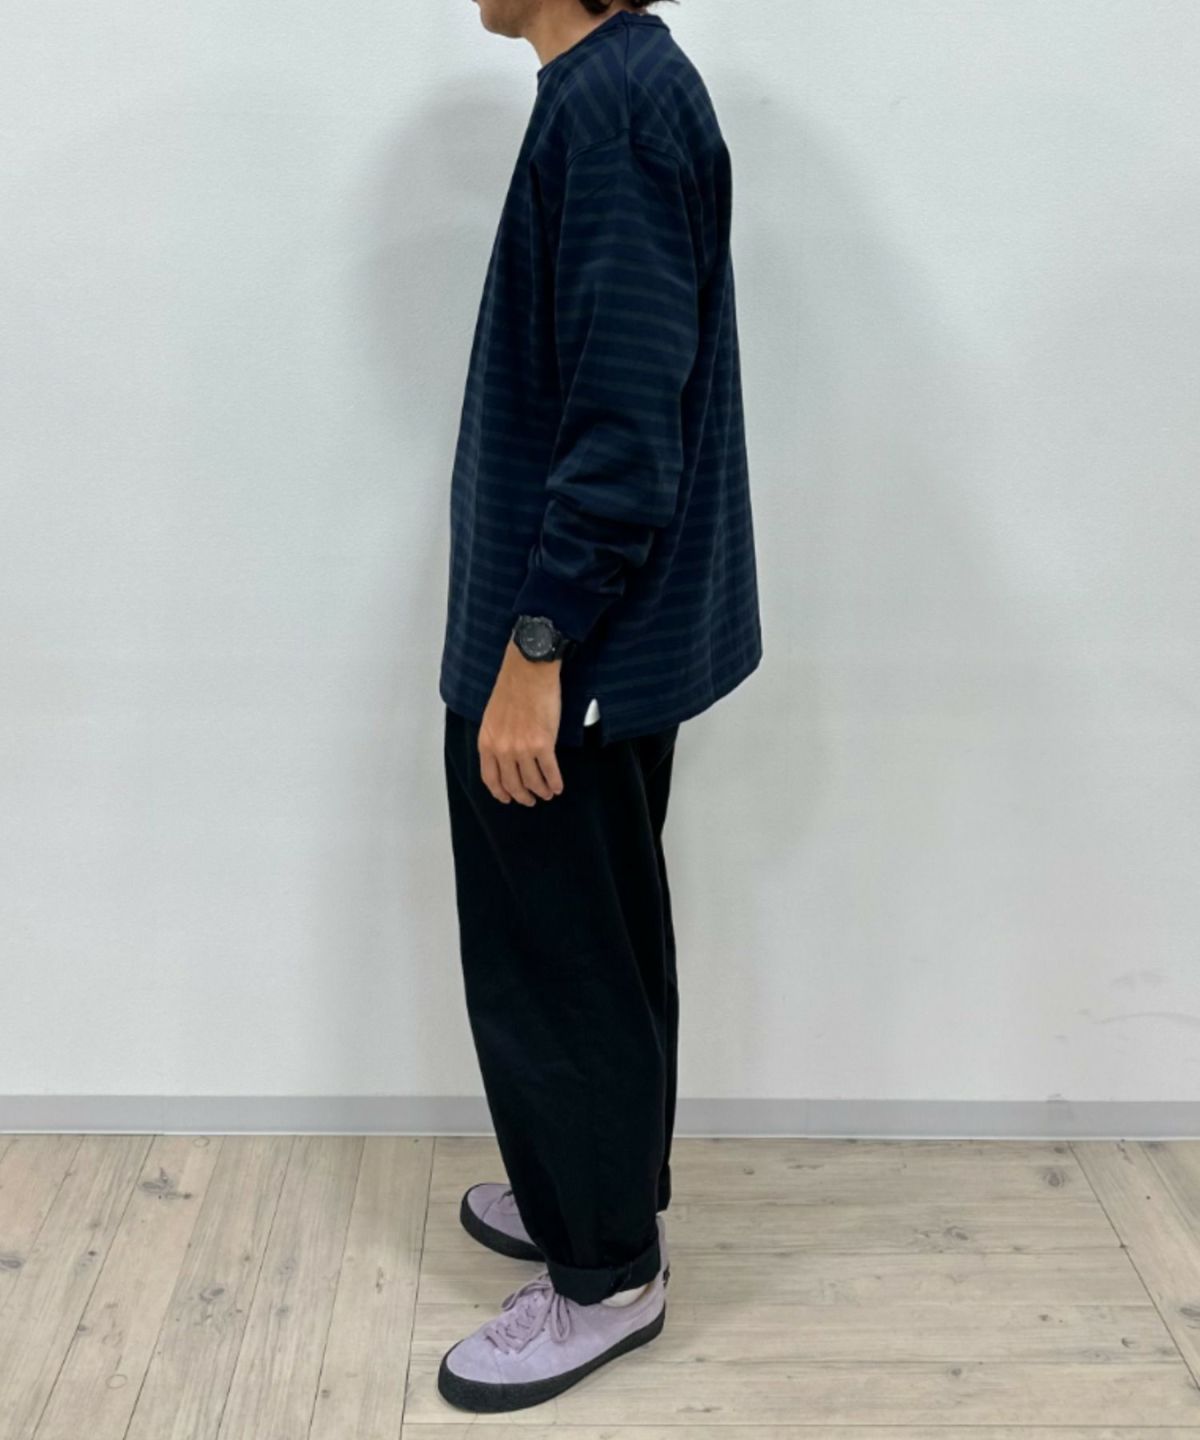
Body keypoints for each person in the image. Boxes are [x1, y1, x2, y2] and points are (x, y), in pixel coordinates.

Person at [437, 0, 762, 1412]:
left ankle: (606, 1274)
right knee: (597, 937)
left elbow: (628, 420)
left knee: (557, 959)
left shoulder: (615, 107)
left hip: (573, 650)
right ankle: (589, 1186)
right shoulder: (612, 84)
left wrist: (538, 644)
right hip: (594, 641)